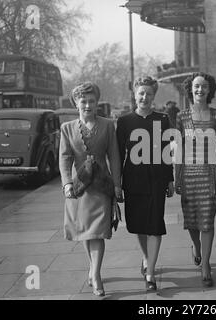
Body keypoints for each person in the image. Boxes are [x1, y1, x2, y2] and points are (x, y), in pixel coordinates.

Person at [59, 82, 122, 297]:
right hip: (79, 189)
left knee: (98, 233)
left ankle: (96, 275)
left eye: (91, 101)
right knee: (86, 233)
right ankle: (92, 269)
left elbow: (114, 156)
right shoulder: (67, 128)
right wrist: (67, 183)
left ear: (97, 103)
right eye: (83, 101)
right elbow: (65, 158)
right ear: (76, 103)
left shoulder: (107, 125)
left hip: (102, 188)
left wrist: (117, 185)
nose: (87, 105)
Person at [116, 76, 174, 292]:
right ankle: (145, 257)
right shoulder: (124, 122)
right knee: (139, 224)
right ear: (134, 94)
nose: (144, 97)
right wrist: (117, 184)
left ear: (154, 96)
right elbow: (118, 155)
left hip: (157, 178)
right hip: (133, 179)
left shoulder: (163, 119)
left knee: (155, 224)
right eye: (141, 93)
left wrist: (170, 179)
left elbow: (166, 152)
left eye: (149, 93)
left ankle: (150, 272)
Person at [175, 72, 216, 287]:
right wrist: (176, 177)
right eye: (196, 86)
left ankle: (206, 264)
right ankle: (196, 246)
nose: (200, 90)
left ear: (210, 90)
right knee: (192, 220)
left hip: (210, 173)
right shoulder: (181, 116)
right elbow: (178, 148)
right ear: (190, 89)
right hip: (188, 174)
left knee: (207, 219)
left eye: (204, 86)